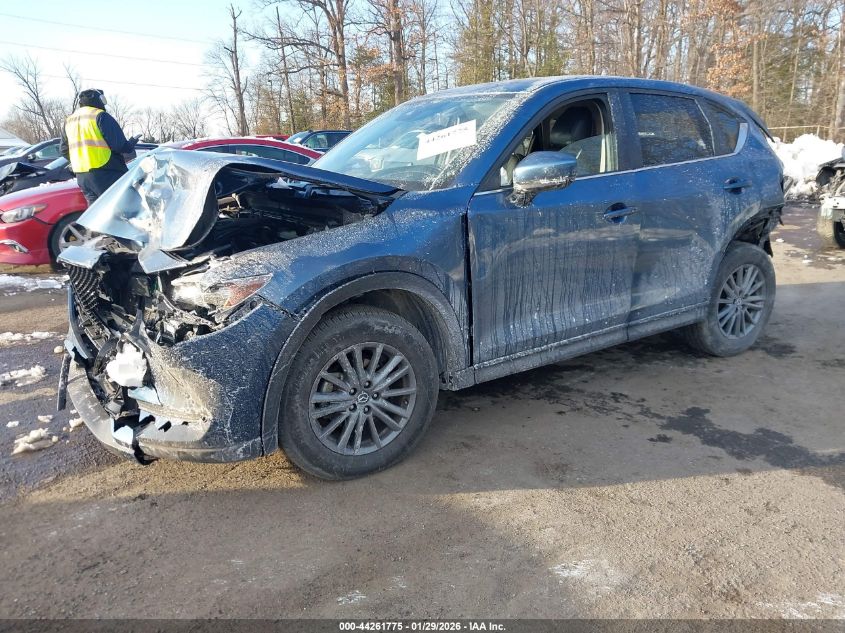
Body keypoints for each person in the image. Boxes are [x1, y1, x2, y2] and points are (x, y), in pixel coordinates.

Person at [61, 89, 139, 204]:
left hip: (82, 176)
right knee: (123, 209)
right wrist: (131, 143)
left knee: (96, 214)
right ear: (100, 99)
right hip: (107, 173)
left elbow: (63, 150)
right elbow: (119, 145)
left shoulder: (69, 121)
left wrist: (81, 161)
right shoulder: (100, 116)